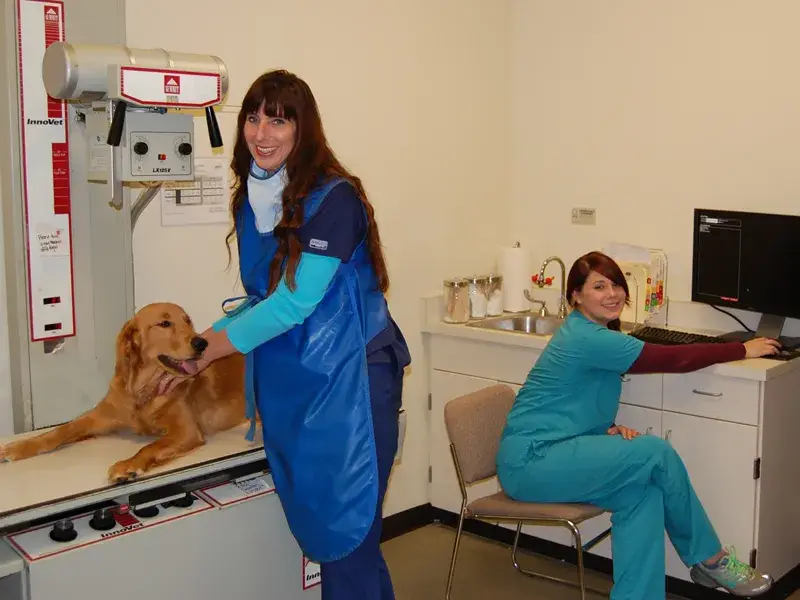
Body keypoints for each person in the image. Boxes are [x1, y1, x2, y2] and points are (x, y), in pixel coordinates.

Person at [157, 69, 411, 600]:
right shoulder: (254, 197)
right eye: (253, 118)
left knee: (348, 532)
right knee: (342, 539)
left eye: (278, 120)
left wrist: (211, 352)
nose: (262, 133)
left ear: (304, 130)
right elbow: (261, 302)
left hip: (355, 381)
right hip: (303, 379)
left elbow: (294, 302)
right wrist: (196, 351)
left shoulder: (335, 200)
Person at [496, 250, 779, 600]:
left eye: (616, 284)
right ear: (575, 296)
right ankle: (712, 559)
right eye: (599, 286)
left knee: (642, 494)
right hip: (531, 462)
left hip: (557, 452)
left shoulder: (591, 332)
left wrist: (605, 430)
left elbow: (571, 398)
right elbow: (674, 357)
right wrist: (741, 349)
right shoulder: (588, 337)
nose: (612, 294)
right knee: (655, 452)